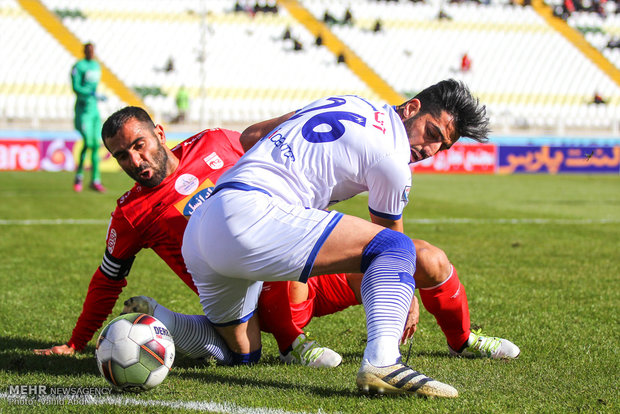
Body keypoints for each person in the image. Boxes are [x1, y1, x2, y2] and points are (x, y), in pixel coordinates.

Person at [182, 79, 519, 399]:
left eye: (441, 146)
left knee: (242, 353)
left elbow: (250, 135)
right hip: (249, 218)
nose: (430, 148)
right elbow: (392, 242)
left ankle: (158, 323)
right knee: (397, 248)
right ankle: (384, 362)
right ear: (411, 108)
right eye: (431, 132)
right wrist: (408, 299)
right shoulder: (392, 157)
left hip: (202, 224)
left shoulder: (346, 100)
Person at [33, 106, 415, 367]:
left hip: (298, 265)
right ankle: (292, 344)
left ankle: (461, 339)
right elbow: (108, 278)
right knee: (248, 330)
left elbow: (275, 147)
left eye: (139, 146)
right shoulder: (130, 214)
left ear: (159, 134)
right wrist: (76, 342)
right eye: (121, 156)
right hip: (246, 295)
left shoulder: (216, 142)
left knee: (399, 262)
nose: (135, 161)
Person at [71, 42, 106, 193]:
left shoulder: (96, 66)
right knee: (89, 142)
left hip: (94, 111)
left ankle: (95, 180)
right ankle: (79, 175)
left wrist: (96, 96)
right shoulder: (78, 66)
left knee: (95, 145)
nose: (91, 52)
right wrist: (89, 93)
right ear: (84, 51)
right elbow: (76, 87)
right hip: (83, 110)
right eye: (89, 50)